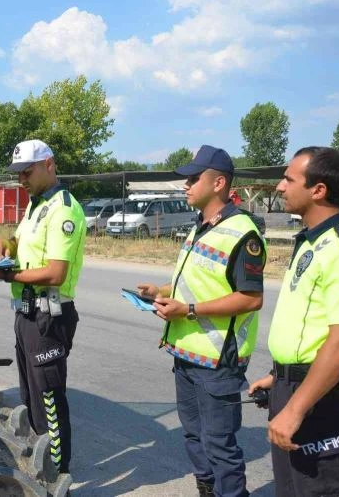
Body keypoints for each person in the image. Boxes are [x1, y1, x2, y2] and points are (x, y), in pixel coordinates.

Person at [137, 145, 266, 497]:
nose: (186, 185)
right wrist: (159, 290)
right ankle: (206, 491)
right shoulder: (201, 228)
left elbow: (251, 298)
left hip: (217, 363)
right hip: (186, 356)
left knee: (220, 446)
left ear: (219, 182)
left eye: (194, 178)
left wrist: (189, 312)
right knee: (195, 437)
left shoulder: (243, 233)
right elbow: (194, 284)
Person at [0, 139, 85, 474]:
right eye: (18, 173)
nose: (21, 178)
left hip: (49, 317)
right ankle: (41, 467)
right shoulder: (37, 205)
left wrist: (7, 273)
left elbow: (55, 272)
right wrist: (2, 243)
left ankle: (58, 475)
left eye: (27, 171)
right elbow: (19, 242)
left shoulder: (63, 208)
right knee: (31, 398)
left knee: (50, 404)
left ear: (48, 164)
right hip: (27, 313)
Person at [248, 147, 339, 497]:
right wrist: (280, 375)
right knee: (292, 488)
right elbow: (310, 327)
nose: (279, 186)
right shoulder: (312, 241)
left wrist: (295, 408)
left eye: (289, 179)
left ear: (318, 190)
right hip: (296, 386)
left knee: (320, 488)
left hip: (323, 399)